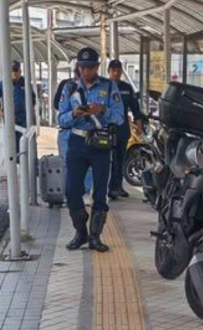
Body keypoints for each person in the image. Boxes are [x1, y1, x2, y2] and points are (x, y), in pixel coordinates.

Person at [58, 47, 124, 252]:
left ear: (97, 66)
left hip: (100, 144)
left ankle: (95, 236)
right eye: (83, 67)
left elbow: (120, 117)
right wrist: (75, 114)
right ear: (78, 67)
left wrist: (102, 110)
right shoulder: (69, 89)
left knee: (100, 192)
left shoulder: (109, 86)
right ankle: (81, 231)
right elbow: (60, 119)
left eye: (91, 67)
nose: (86, 71)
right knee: (72, 190)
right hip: (77, 143)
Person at [107, 59, 147, 200]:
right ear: (109, 71)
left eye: (118, 70)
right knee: (106, 159)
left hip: (122, 128)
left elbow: (135, 108)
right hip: (106, 128)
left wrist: (139, 124)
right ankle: (106, 187)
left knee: (120, 158)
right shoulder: (104, 87)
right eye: (113, 70)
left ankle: (117, 187)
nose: (116, 73)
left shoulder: (126, 88)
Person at [54, 67, 91, 200]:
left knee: (87, 165)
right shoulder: (67, 87)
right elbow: (59, 111)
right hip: (67, 133)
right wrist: (73, 113)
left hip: (86, 133)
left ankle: (85, 192)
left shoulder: (95, 88)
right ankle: (68, 193)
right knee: (67, 164)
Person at [0, 61, 29, 154]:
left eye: (16, 70)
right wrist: (0, 112)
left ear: (20, 71)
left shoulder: (25, 83)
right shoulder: (4, 83)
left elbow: (33, 98)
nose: (14, 73)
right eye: (12, 71)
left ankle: (22, 161)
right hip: (10, 117)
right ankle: (13, 161)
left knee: (24, 141)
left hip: (23, 117)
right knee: (11, 141)